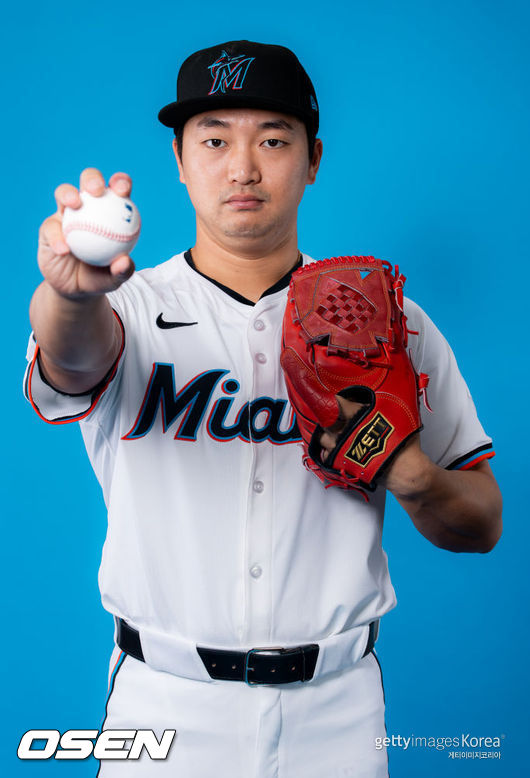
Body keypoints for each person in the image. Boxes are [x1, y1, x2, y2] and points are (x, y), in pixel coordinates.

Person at [24, 39, 502, 777]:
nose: (243, 166)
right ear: (180, 161)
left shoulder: (387, 319)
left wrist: (417, 480)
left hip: (337, 715)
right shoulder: (126, 308)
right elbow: (74, 356)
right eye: (214, 139)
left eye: (272, 140)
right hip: (165, 711)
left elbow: (483, 521)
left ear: (313, 160)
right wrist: (68, 293)